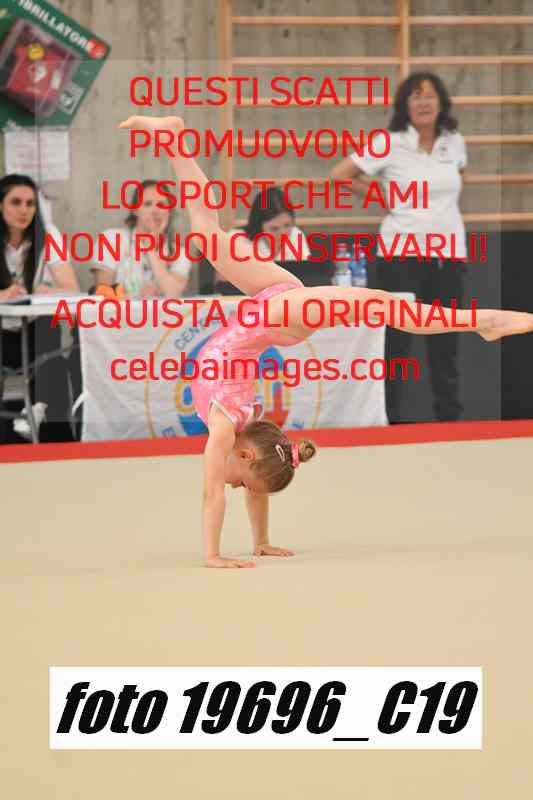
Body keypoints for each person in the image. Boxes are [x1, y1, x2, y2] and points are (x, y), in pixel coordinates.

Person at [119, 115, 533, 568]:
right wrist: (221, 552)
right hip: (276, 316)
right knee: (379, 304)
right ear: (246, 454)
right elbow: (220, 491)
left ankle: (174, 136)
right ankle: (482, 320)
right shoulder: (233, 428)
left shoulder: (235, 428)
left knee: (207, 233)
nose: (233, 486)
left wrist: (251, 544)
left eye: (240, 484)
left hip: (269, 306)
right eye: (243, 482)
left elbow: (237, 487)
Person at [331, 72, 469, 422]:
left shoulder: (454, 142)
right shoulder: (389, 142)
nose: (423, 103)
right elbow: (340, 175)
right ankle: (389, 420)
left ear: (441, 102)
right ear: (405, 105)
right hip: (401, 255)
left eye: (429, 96)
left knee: (446, 342)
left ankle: (450, 421)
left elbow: (456, 182)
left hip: (449, 255)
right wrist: (385, 197)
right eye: (415, 97)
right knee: (397, 343)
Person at [0, 174, 80, 442]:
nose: (24, 210)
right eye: (16, 202)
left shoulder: (48, 234)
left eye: (30, 203)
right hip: (3, 331)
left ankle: (44, 417)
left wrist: (45, 291)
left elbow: (70, 287)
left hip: (34, 331)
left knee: (49, 327)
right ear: (1, 205)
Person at [92, 179, 191, 298]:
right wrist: (136, 296)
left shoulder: (179, 253)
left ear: (169, 211)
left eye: (162, 204)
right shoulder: (111, 239)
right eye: (148, 204)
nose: (155, 211)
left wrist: (151, 250)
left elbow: (173, 293)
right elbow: (103, 292)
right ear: (135, 210)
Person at [214, 186, 310, 292]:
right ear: (259, 225)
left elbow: (306, 277)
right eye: (274, 228)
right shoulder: (237, 240)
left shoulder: (296, 235)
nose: (283, 233)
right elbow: (222, 282)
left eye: (287, 225)